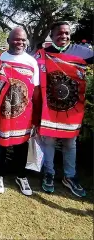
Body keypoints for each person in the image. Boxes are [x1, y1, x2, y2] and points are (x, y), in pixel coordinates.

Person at [35, 21, 94, 197]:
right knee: (49, 141)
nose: (64, 36)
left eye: (67, 33)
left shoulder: (81, 52)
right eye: (60, 33)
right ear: (51, 36)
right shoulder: (43, 54)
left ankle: (70, 176)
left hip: (72, 107)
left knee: (70, 143)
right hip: (51, 107)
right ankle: (49, 173)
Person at [0, 28, 41, 196]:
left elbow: (35, 90)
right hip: (2, 111)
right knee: (1, 145)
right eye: (16, 39)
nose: (20, 42)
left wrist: (36, 115)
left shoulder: (31, 62)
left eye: (23, 40)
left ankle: (21, 176)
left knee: (21, 146)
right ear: (8, 40)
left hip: (24, 111)